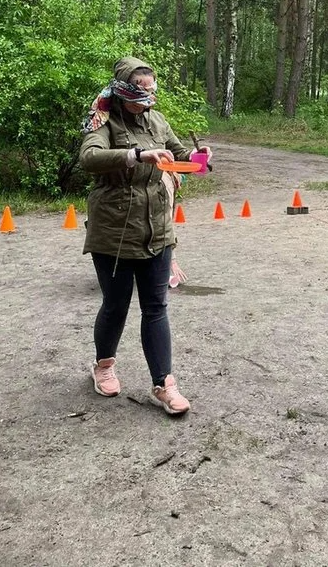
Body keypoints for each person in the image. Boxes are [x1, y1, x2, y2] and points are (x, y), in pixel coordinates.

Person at [79, 57, 212, 415]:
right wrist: (136, 155)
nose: (147, 101)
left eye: (151, 93)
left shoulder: (156, 119)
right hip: (114, 230)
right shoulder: (103, 118)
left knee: (156, 308)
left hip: (158, 228)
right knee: (116, 305)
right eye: (140, 95)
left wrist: (198, 157)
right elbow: (88, 158)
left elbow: (178, 152)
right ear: (123, 92)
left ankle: (164, 384)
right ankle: (103, 365)